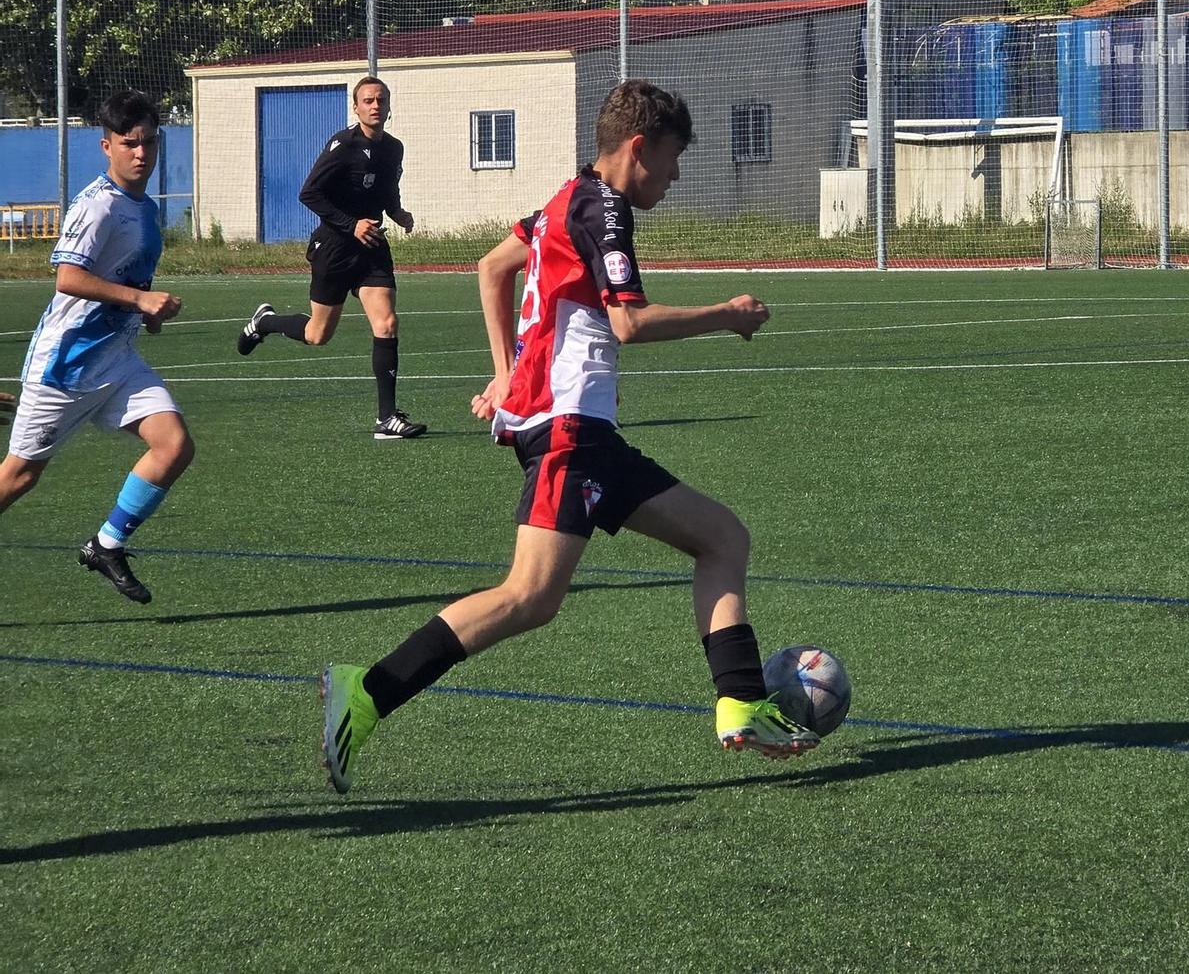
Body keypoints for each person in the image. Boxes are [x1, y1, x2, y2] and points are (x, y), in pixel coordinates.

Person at [318, 80, 817, 794]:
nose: (675, 177)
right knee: (530, 595)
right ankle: (365, 693)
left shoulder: (566, 198)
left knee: (722, 538)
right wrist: (726, 314)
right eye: (672, 160)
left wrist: (507, 377)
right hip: (569, 431)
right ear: (638, 148)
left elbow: (492, 268)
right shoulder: (603, 208)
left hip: (578, 427)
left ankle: (739, 703)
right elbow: (629, 324)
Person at [0, 91, 194, 604]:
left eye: (149, 142)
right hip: (68, 365)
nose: (141, 153)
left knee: (174, 445)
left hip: (117, 360)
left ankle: (106, 545)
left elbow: (132, 282)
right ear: (106, 146)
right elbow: (67, 277)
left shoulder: (146, 210)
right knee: (17, 478)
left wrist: (146, 311)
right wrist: (138, 298)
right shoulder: (97, 205)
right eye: (130, 143)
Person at [236, 75, 424, 438]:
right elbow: (309, 193)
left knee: (386, 324)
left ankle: (386, 418)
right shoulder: (342, 145)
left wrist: (397, 212)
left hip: (371, 248)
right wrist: (350, 224)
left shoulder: (394, 148)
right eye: (367, 100)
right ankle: (265, 323)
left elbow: (387, 188)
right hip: (335, 248)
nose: (375, 105)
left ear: (388, 105)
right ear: (356, 107)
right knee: (317, 334)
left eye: (380, 99)